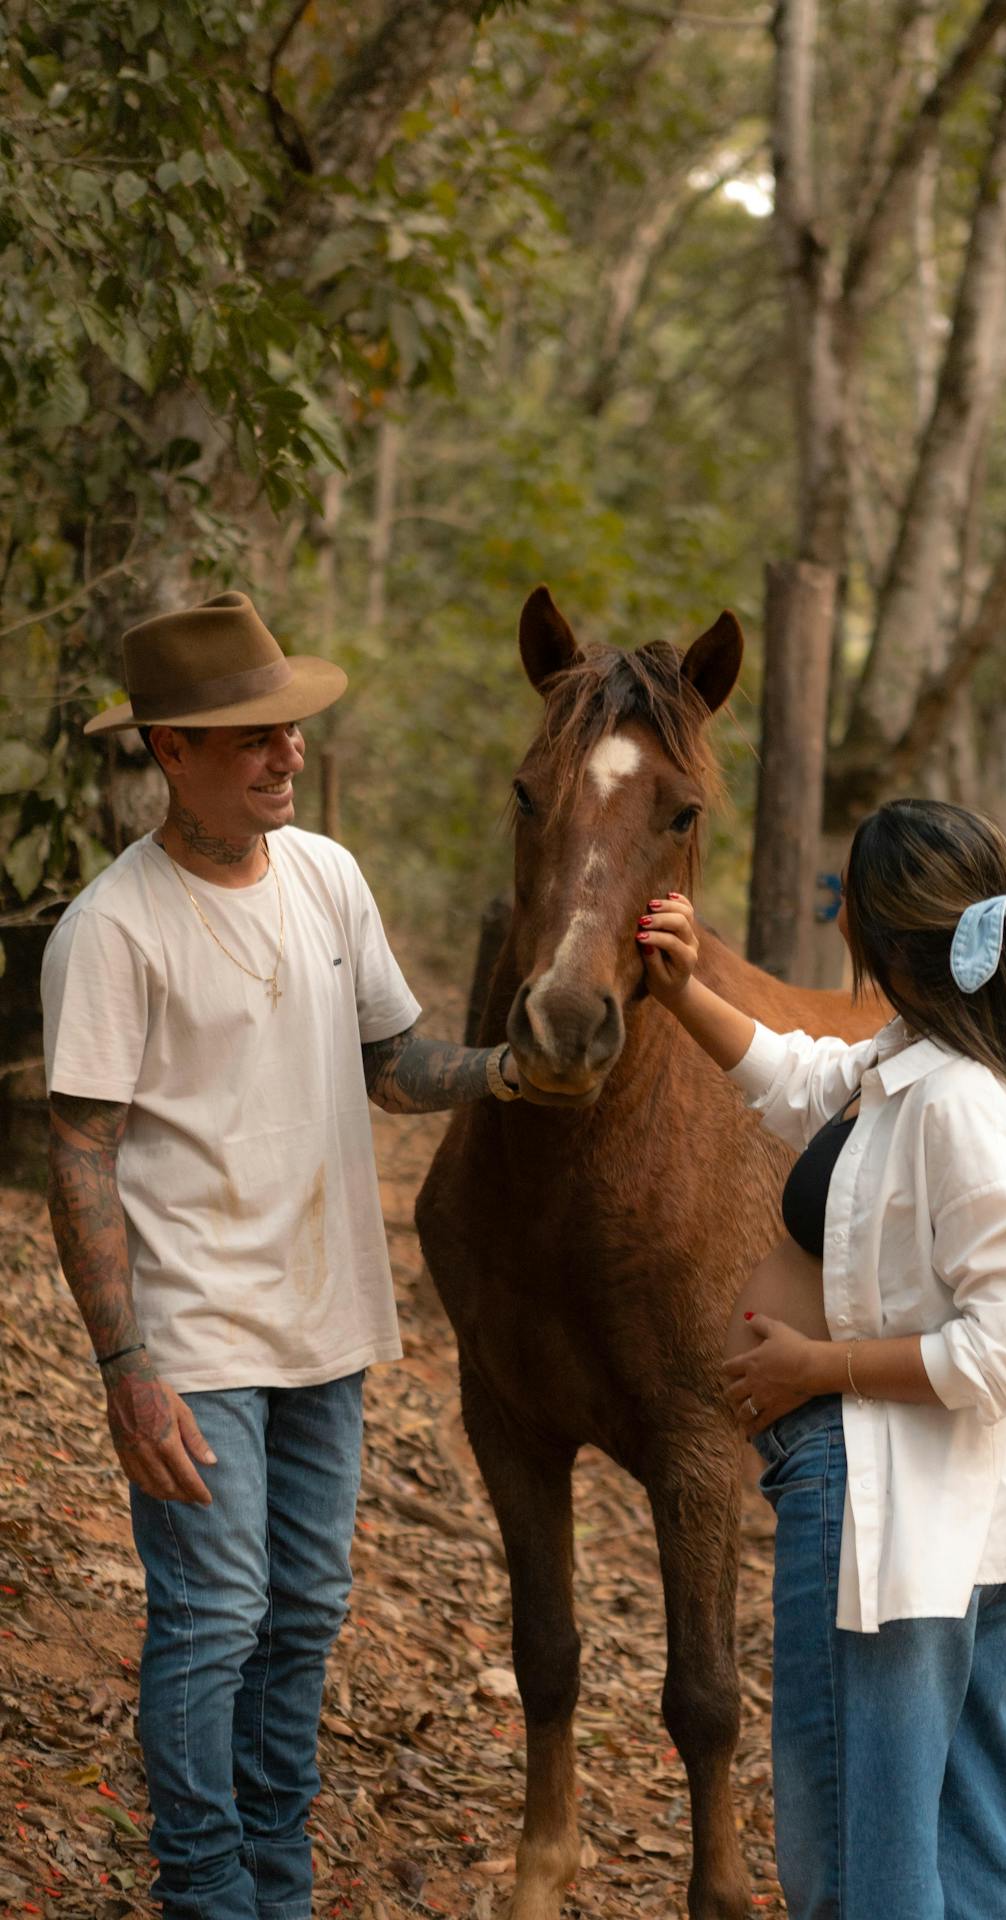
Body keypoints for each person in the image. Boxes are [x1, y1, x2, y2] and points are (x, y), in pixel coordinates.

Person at [41, 591, 524, 1920]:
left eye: (292, 731)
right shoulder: (112, 929)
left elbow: (392, 1062)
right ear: (170, 753)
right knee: (215, 1614)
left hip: (326, 1313)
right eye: (250, 738)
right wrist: (126, 1364)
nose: (287, 755)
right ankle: (205, 1888)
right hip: (192, 1330)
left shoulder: (328, 875)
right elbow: (79, 1150)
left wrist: (504, 1071)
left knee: (306, 1607)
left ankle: (275, 1873)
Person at [634, 798, 1006, 1920]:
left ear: (869, 942)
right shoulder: (908, 1062)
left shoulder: (961, 1110)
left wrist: (814, 1369)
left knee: (854, 1866)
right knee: (964, 1845)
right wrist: (684, 988)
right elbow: (797, 1084)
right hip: (939, 1519)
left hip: (892, 1526)